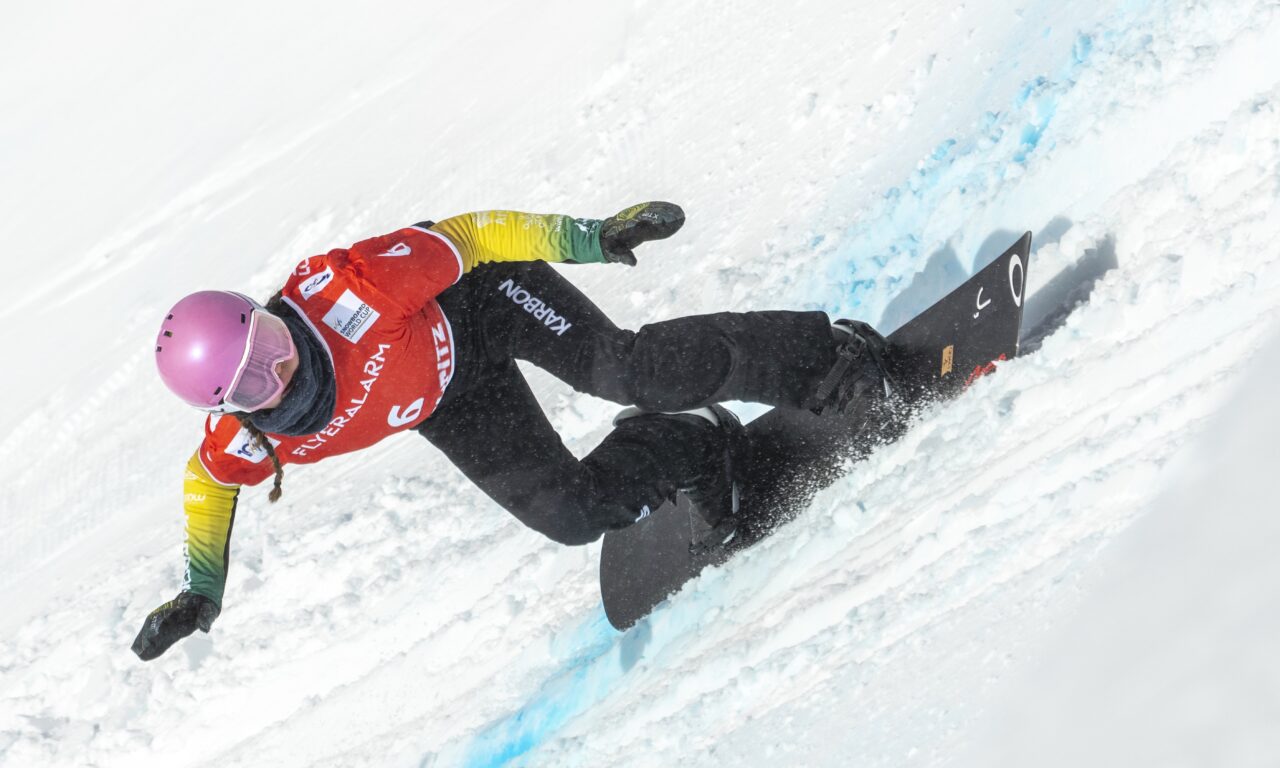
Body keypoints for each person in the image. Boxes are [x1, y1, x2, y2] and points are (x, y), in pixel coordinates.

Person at [131, 202, 891, 661]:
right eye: (256, 380)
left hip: (482, 301)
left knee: (627, 369)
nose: (283, 363)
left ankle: (825, 357)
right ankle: (696, 447)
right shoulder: (253, 443)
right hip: (448, 399)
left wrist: (590, 237)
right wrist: (202, 592)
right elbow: (207, 484)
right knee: (572, 514)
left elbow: (472, 236)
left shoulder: (349, 289)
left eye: (267, 336)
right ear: (228, 407)